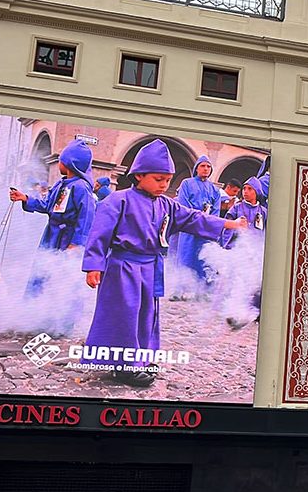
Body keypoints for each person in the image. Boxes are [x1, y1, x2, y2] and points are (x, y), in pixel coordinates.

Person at [81, 139, 247, 387]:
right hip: (123, 267)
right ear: (139, 175)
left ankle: (141, 358)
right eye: (158, 179)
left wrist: (227, 223)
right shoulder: (118, 200)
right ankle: (123, 367)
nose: (163, 185)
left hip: (150, 268)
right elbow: (99, 233)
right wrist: (94, 265)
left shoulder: (167, 204)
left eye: (167, 180)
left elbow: (193, 218)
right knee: (123, 314)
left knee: (147, 315)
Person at [173, 154, 221, 290]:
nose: (205, 169)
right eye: (202, 166)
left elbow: (215, 211)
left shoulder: (214, 190)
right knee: (185, 257)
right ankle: (181, 289)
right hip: (189, 226)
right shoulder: (187, 183)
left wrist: (208, 223)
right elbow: (184, 204)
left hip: (205, 229)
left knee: (204, 259)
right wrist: (195, 218)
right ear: (196, 168)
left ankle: (203, 290)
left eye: (208, 167)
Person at [221, 177, 267, 248]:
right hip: (236, 248)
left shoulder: (263, 211)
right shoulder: (236, 207)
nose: (245, 191)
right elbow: (226, 227)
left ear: (256, 191)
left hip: (256, 249)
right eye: (244, 188)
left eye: (249, 189)